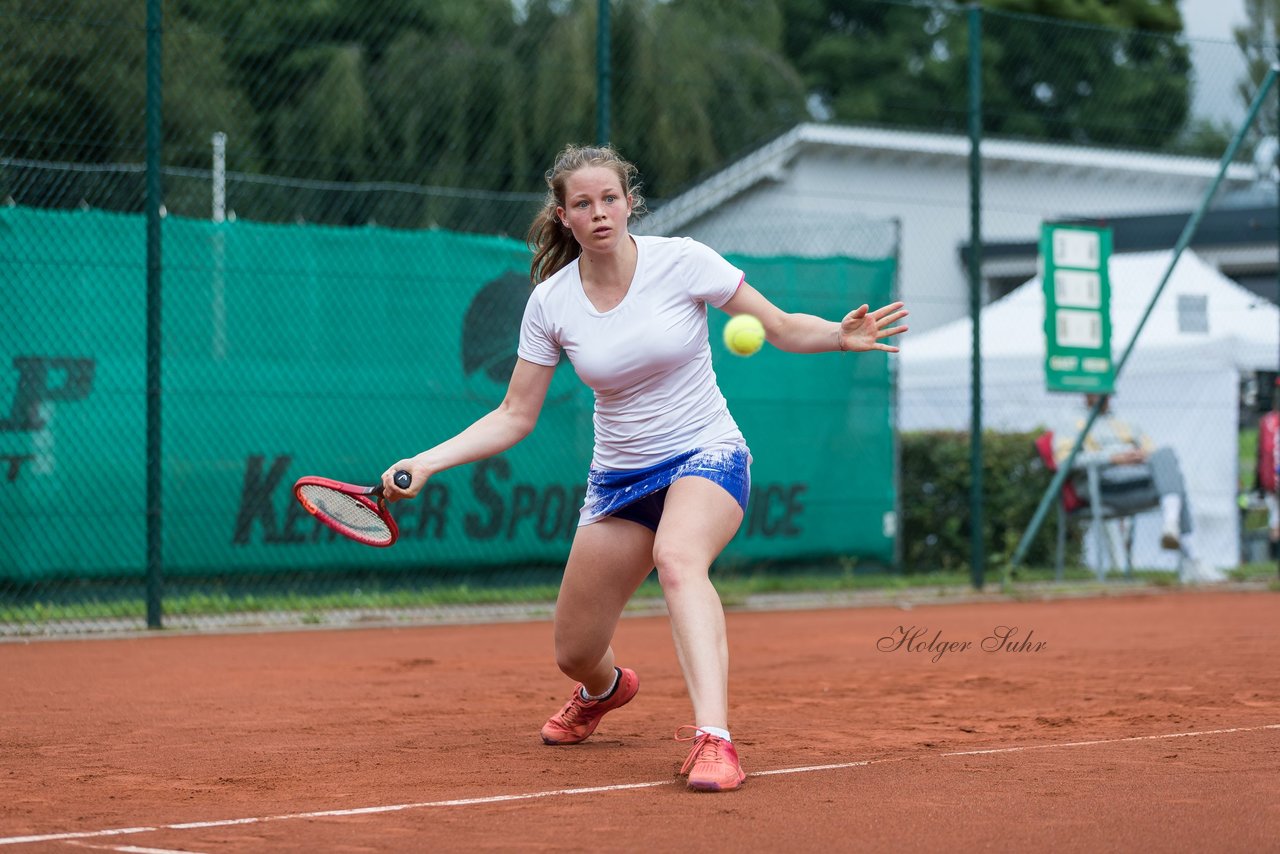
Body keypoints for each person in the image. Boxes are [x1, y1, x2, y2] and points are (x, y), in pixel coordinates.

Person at [380, 144, 907, 792]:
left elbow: (776, 325)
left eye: (609, 198)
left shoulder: (683, 262)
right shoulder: (550, 303)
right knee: (573, 650)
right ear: (563, 216)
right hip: (619, 481)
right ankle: (602, 692)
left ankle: (715, 740)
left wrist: (836, 334)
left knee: (678, 559)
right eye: (583, 203)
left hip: (706, 452)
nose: (599, 212)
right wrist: (426, 462)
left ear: (629, 203)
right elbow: (515, 414)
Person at [1055, 392, 1209, 576]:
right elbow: (1064, 462)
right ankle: (1192, 558)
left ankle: (1172, 525)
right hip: (1102, 487)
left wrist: (1141, 456)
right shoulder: (1071, 421)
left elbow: (1151, 452)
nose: (1100, 396)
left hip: (1136, 480)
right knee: (1176, 487)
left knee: (1167, 456)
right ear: (1085, 393)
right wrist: (1112, 458)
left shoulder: (1125, 422)